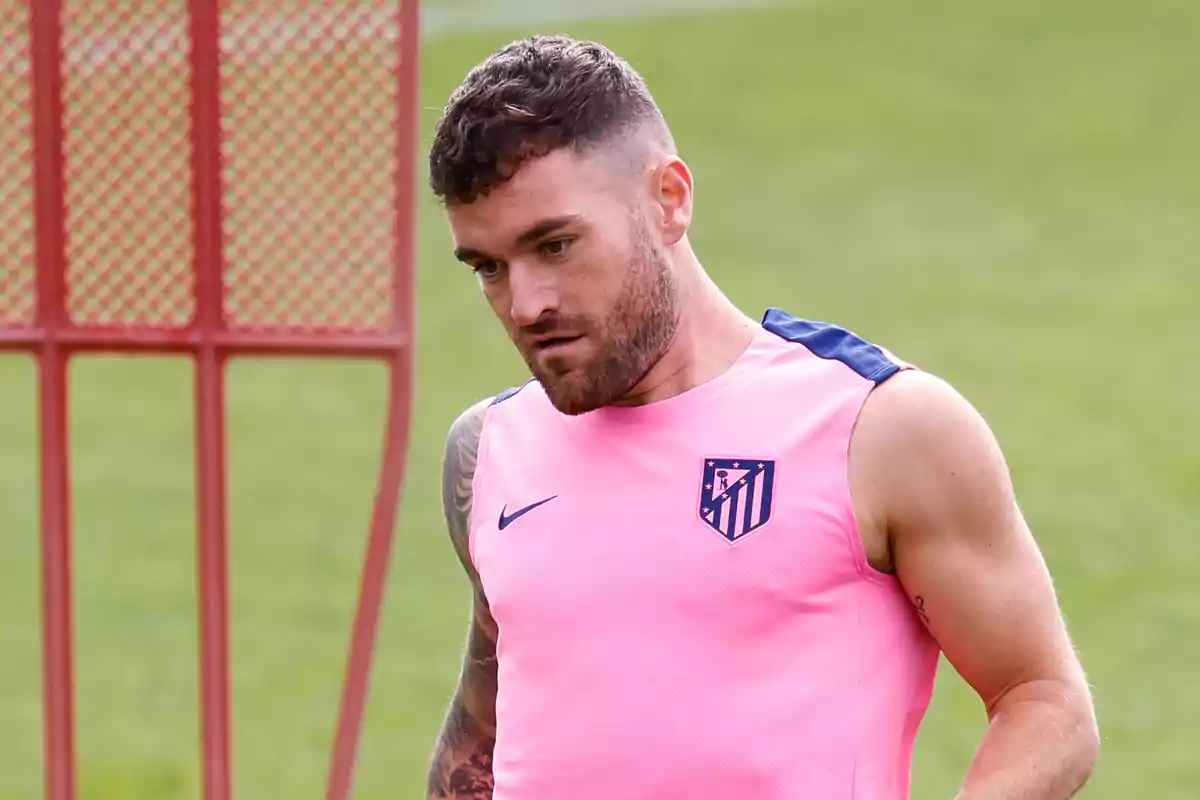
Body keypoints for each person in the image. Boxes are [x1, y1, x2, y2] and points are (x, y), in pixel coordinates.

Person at [424, 35, 1099, 800]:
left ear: (668, 200)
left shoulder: (877, 427)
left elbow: (1044, 702)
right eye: (488, 267)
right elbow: (481, 744)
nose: (527, 304)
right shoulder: (487, 452)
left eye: (555, 244)